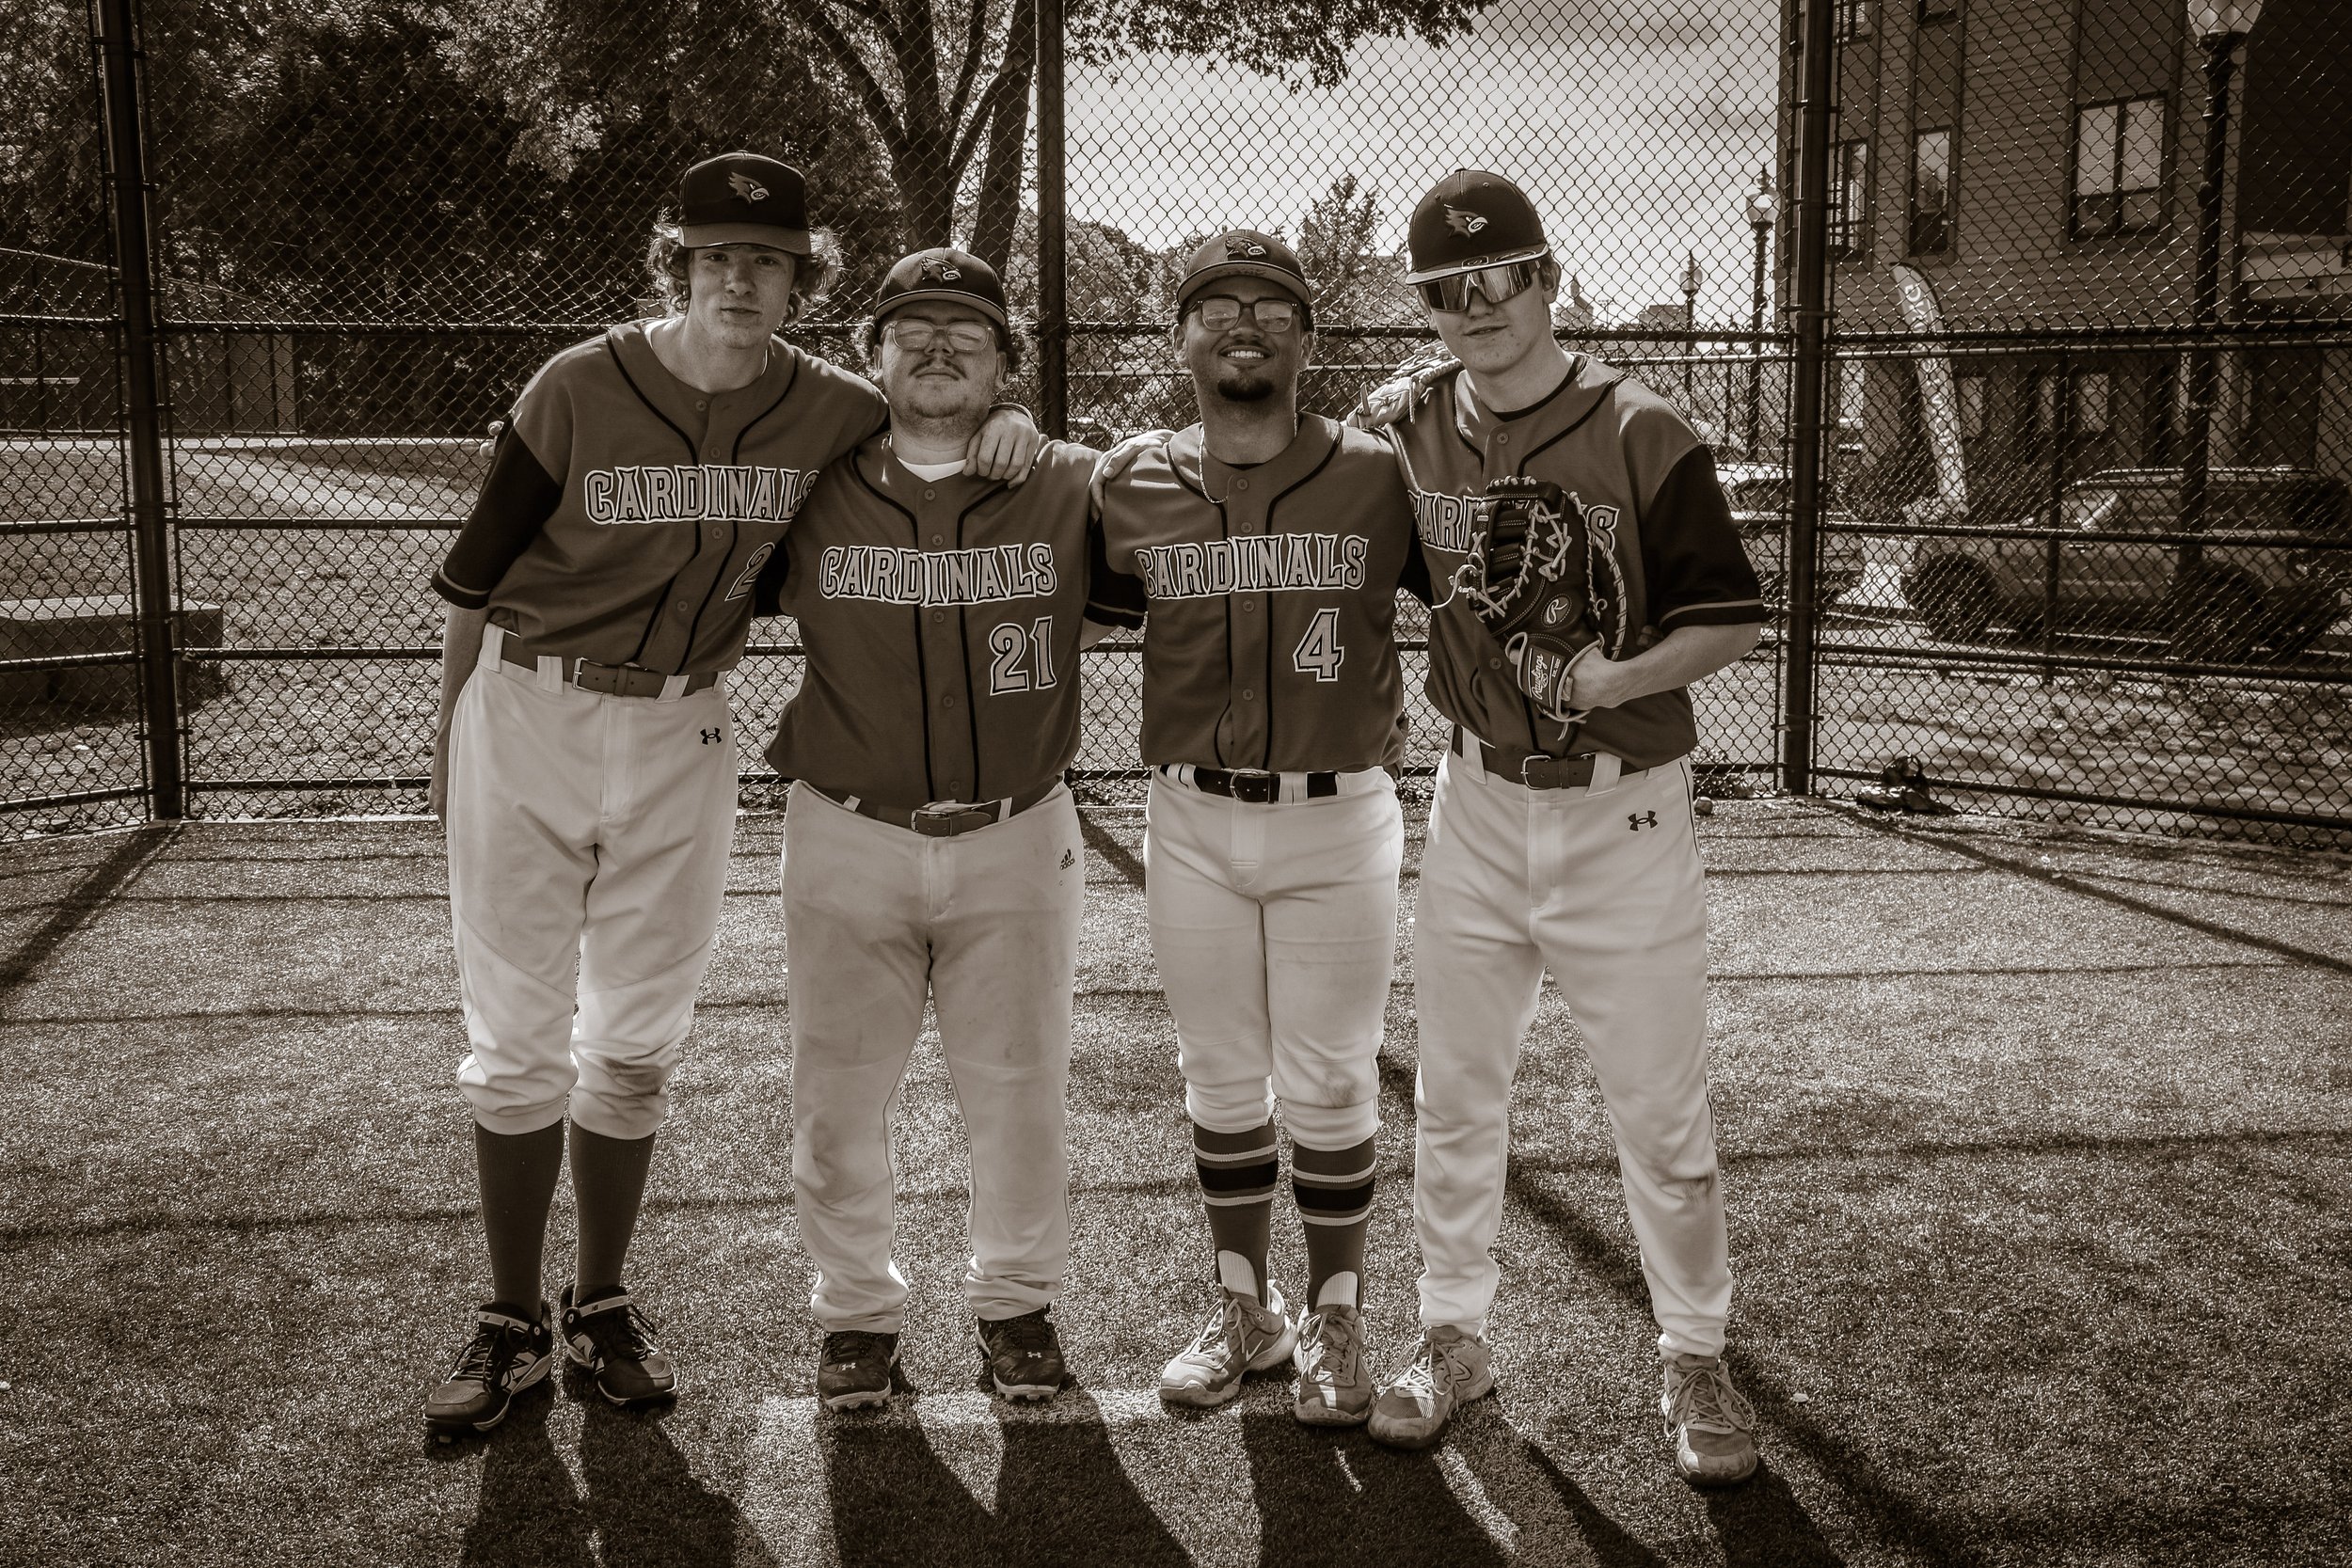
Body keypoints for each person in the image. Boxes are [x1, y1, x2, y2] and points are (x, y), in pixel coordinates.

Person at [419, 155, 1037, 1437]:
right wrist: (451, 747)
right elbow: (474, 585)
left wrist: (1005, 431)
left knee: (638, 1034)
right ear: (676, 266)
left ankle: (600, 1305)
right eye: (713, 257)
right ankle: (507, 1315)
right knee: (518, 1031)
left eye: (765, 260)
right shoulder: (579, 386)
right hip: (526, 708)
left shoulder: (831, 407)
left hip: (684, 723)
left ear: (802, 278)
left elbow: (941, 422)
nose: (738, 279)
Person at [1356, 169, 1767, 1484]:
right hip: (1475, 801)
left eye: (1497, 278)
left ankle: (1693, 1348)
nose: (1475, 306)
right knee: (1458, 1093)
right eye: (1445, 289)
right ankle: (1453, 1332)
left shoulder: (1647, 430)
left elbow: (1734, 619)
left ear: (1547, 279)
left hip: (1623, 810)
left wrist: (1616, 678)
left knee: (1657, 1108)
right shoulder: (1408, 427)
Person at [755, 246, 1138, 1411]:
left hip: (1017, 831)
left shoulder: (1071, 482)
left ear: (1007, 364)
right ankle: (855, 1316)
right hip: (848, 826)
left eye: (966, 333)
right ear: (869, 356)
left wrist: (1033, 426)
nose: (936, 347)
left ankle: (1016, 1304)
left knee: (1018, 1084)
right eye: (909, 328)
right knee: (836, 1091)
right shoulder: (807, 483)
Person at [1094, 230, 1431, 1427]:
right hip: (1187, 811)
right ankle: (1247, 1309)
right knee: (1221, 1077)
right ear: (1177, 336)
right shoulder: (1127, 478)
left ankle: (1336, 1317)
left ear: (1310, 336)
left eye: (1272, 306)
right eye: (1216, 306)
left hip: (1338, 814)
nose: (1244, 323)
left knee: (1332, 1079)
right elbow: (1064, 603)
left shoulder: (1380, 473)